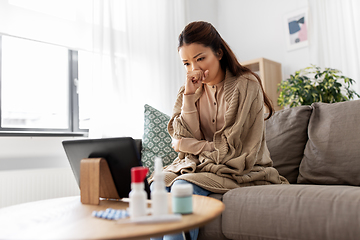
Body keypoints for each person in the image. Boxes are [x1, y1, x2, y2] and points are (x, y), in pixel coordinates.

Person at [149, 21, 288, 240]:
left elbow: (231, 149)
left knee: (182, 188)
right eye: (186, 63)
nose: (194, 69)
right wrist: (189, 98)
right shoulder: (187, 91)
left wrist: (187, 145)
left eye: (200, 59)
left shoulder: (246, 84)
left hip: (240, 167)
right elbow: (179, 137)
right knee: (158, 185)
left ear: (219, 53)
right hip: (201, 166)